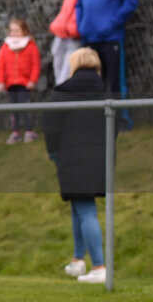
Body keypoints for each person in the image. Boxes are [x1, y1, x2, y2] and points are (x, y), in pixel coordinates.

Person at [43, 48, 108, 284]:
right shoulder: (107, 91)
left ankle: (99, 267)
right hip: (99, 155)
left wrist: (53, 152)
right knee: (79, 205)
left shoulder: (62, 93)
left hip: (71, 156)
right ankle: (78, 261)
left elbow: (51, 126)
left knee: (86, 209)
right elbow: (116, 125)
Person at [75, 0, 138, 130]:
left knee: (116, 81)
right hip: (89, 39)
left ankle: (122, 121)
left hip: (111, 38)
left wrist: (111, 23)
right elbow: (79, 5)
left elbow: (130, 2)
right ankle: (97, 123)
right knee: (92, 82)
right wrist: (82, 25)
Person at [0, 18, 41, 145]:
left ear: (24, 31)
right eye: (12, 30)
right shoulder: (6, 47)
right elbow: (0, 65)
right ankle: (15, 132)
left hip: (24, 84)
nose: (14, 33)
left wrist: (33, 80)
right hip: (10, 84)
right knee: (14, 108)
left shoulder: (31, 46)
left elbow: (35, 65)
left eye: (17, 30)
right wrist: (0, 81)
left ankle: (28, 131)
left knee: (23, 106)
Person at [49, 0, 92, 85]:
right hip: (61, 34)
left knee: (67, 71)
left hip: (75, 36)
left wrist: (78, 30)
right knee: (58, 67)